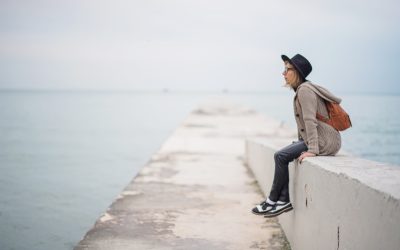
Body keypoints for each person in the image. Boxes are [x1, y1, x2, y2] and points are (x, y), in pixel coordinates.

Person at [252, 54, 342, 218]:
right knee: (286, 153)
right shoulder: (304, 89)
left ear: (297, 73)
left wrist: (312, 150)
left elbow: (310, 121)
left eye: (287, 69)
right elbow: (303, 125)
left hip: (324, 141)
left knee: (280, 156)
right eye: (284, 69)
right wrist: (300, 143)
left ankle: (274, 200)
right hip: (324, 139)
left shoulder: (304, 91)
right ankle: (282, 200)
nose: (283, 73)